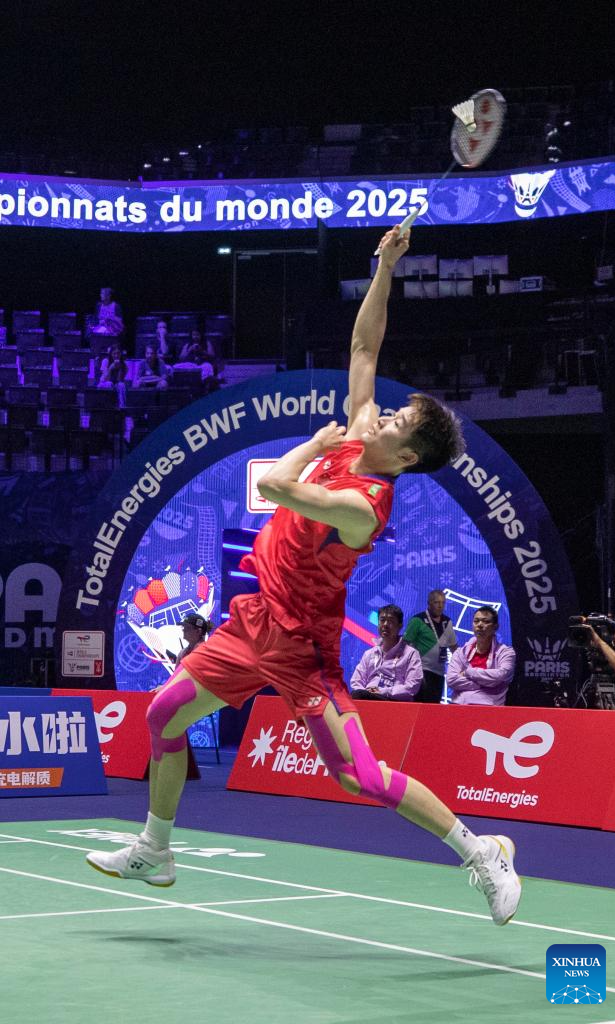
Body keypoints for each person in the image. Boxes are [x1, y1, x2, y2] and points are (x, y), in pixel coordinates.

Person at [86, 223, 521, 927]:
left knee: (359, 775)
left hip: (303, 649)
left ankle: (483, 853)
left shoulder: (363, 507)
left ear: (407, 457)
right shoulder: (362, 433)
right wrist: (385, 267)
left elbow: (280, 489)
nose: (383, 414)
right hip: (253, 623)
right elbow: (364, 347)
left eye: (397, 420)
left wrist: (312, 444)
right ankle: (155, 850)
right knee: (163, 713)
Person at [351, 604, 423, 701]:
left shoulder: (411, 654)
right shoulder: (369, 653)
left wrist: (380, 691)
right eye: (382, 620)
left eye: (390, 621)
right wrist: (365, 693)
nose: (385, 624)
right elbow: (356, 681)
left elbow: (412, 687)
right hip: (367, 698)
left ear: (400, 626)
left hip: (395, 702)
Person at [447, 606, 515, 706]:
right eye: (476, 621)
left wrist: (468, 672)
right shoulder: (460, 653)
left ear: (495, 627)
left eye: (485, 621)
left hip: (490, 709)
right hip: (458, 707)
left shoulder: (506, 653)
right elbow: (451, 680)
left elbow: (500, 675)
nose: (479, 625)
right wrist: (484, 684)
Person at [404, 590, 458, 703]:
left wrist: (462, 666)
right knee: (421, 704)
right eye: (437, 602)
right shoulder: (417, 620)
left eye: (443, 602)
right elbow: (405, 644)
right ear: (429, 603)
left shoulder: (447, 622)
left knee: (434, 706)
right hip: (421, 671)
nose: (440, 606)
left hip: (439, 672)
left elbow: (454, 647)